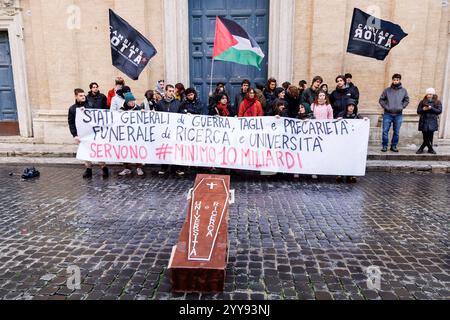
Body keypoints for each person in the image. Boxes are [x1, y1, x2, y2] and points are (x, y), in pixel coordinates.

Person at [68, 88, 109, 179]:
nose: (83, 97)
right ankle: (88, 169)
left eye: (84, 95)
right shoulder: (72, 109)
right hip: (82, 135)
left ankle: (104, 167)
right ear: (76, 96)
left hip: (93, 134)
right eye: (80, 96)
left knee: (98, 151)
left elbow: (98, 117)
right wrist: (74, 135)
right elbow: (71, 123)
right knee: (85, 152)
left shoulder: (90, 106)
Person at [156, 85, 184, 176]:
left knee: (175, 149)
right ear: (166, 91)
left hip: (174, 129)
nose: (171, 92)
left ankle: (176, 168)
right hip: (163, 130)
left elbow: (181, 115)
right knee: (165, 148)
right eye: (170, 91)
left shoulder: (178, 103)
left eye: (173, 91)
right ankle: (164, 167)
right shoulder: (160, 103)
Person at [379, 74, 410, 152]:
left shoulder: (403, 91)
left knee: (396, 132)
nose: (395, 81)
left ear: (399, 80)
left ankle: (394, 146)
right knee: (385, 131)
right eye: (394, 80)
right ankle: (385, 146)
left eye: (397, 80)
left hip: (398, 115)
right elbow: (381, 100)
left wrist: (402, 107)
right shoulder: (387, 90)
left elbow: (407, 100)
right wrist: (386, 107)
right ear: (392, 80)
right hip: (387, 114)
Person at [118, 92, 146, 177]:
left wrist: (143, 114)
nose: (132, 102)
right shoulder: (121, 109)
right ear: (126, 102)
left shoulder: (138, 109)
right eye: (130, 101)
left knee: (137, 151)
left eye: (133, 100)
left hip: (137, 134)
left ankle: (139, 167)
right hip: (125, 134)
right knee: (125, 150)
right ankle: (127, 168)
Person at [416, 88, 443, 155]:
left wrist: (431, 108)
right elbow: (418, 111)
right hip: (424, 121)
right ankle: (430, 149)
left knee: (430, 136)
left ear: (433, 94)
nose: (429, 95)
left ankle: (422, 148)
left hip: (432, 121)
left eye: (430, 94)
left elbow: (439, 111)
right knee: (425, 136)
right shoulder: (422, 101)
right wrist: (423, 109)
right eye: (428, 94)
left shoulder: (438, 102)